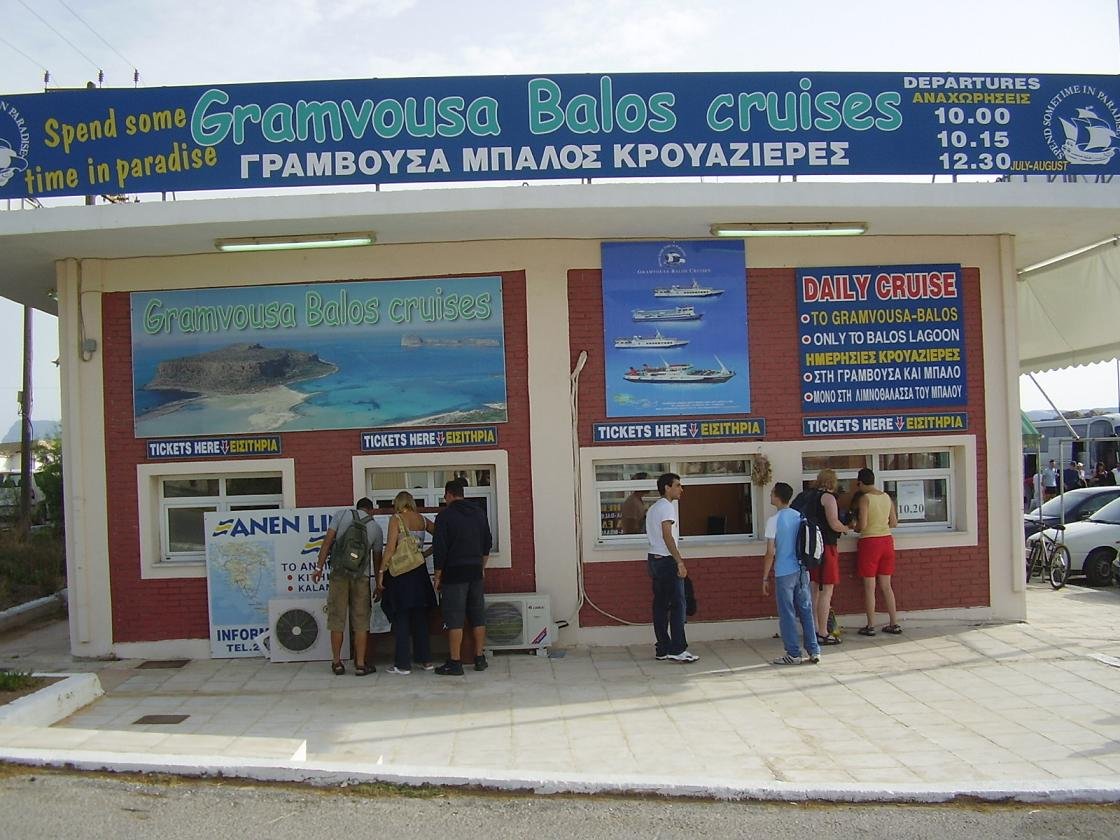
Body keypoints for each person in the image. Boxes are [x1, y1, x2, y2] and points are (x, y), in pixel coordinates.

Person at [312, 497, 384, 676]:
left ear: (357, 507)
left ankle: (337, 663)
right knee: (361, 621)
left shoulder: (342, 515)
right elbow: (377, 560)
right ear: (371, 510)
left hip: (339, 574)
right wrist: (379, 584)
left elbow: (327, 542)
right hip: (361, 578)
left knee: (337, 618)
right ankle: (360, 664)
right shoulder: (376, 527)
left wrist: (319, 568)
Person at [432, 478, 492, 675]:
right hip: (475, 570)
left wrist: (437, 576)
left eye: (445, 496)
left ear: (449, 494)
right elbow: (487, 543)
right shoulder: (479, 513)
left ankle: (455, 662)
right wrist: (481, 567)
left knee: (454, 618)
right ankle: (479, 657)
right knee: (478, 616)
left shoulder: (444, 516)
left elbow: (440, 549)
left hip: (454, 573)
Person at [377, 491, 437, 675]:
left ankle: (402, 664)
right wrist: (425, 554)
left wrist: (381, 572)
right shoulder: (422, 519)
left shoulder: (396, 519)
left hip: (401, 574)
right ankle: (425, 660)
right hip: (420, 573)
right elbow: (441, 537)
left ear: (398, 503)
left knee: (401, 618)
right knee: (420, 618)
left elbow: (390, 549)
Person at [761, 482, 821, 665]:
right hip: (802, 570)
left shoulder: (774, 521)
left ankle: (793, 653)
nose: (770, 496)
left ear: (777, 497)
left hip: (784, 571)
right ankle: (814, 650)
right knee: (805, 610)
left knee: (787, 613)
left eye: (772, 493)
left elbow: (770, 552)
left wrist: (765, 577)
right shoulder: (799, 516)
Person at [645, 472, 698, 663]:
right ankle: (677, 648)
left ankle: (663, 648)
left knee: (660, 605)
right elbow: (667, 535)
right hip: (667, 560)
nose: (681, 489)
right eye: (678, 485)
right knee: (678, 605)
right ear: (667, 488)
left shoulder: (653, 508)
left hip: (654, 558)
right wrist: (679, 561)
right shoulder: (667, 507)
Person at [801, 469, 853, 647]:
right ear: (833, 481)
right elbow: (834, 523)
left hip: (811, 548)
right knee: (826, 591)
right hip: (826, 547)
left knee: (814, 589)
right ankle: (823, 632)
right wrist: (846, 528)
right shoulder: (829, 498)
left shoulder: (810, 497)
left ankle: (814, 629)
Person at [853, 468, 900, 636]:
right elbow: (894, 522)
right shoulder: (886, 497)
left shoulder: (865, 498)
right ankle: (894, 623)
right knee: (887, 586)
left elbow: (863, 524)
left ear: (860, 482)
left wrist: (855, 526)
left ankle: (871, 625)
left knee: (869, 587)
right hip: (887, 541)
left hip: (870, 542)